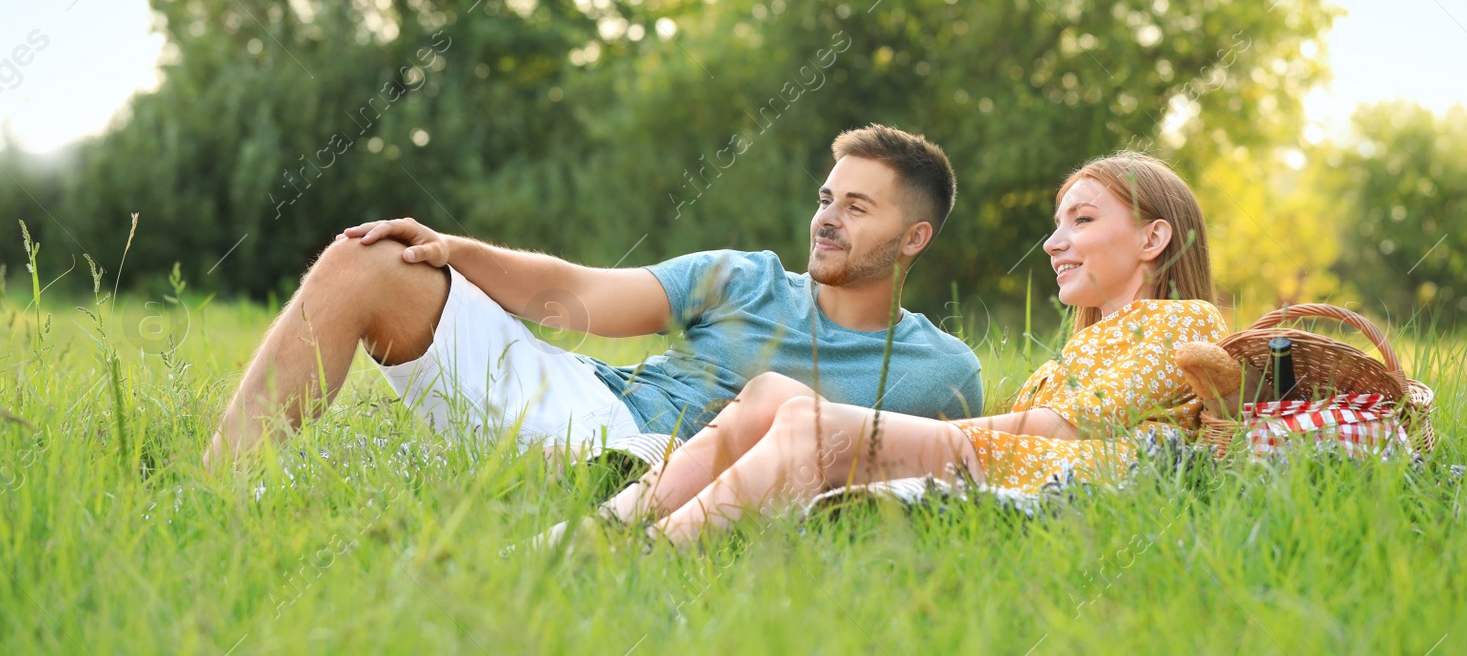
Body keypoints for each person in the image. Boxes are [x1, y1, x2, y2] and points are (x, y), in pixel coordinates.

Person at [203, 124, 983, 468]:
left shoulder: (939, 373)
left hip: (684, 471)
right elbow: (575, 294)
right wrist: (456, 250)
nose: (826, 219)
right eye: (825, 197)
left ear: (913, 238)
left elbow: (942, 480)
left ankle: (579, 493)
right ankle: (223, 486)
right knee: (367, 256)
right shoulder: (741, 277)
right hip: (588, 406)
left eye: (857, 206)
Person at [557, 150, 1230, 546]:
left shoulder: (1185, 322)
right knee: (769, 393)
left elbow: (1067, 428)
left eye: (1081, 221)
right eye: (1058, 224)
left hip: (1056, 471)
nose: (1054, 242)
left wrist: (883, 431)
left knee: (812, 424)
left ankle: (649, 554)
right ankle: (596, 530)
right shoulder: (1086, 346)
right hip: (1014, 457)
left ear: (1153, 239)